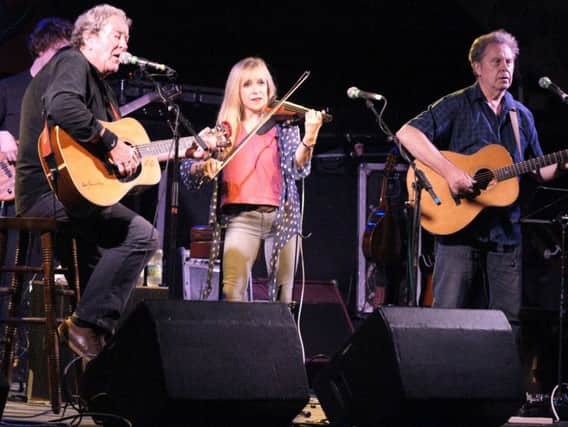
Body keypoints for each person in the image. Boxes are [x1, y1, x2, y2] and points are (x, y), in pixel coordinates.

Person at [16, 4, 214, 362]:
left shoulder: (102, 91)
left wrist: (186, 150)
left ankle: (97, 362)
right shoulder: (72, 61)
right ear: (89, 37)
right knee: (142, 236)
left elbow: (128, 154)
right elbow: (62, 106)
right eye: (117, 35)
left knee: (107, 269)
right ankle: (86, 326)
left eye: (127, 37)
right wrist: (110, 143)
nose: (124, 44)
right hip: (47, 193)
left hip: (72, 198)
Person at [395, 29, 565, 339]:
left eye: (510, 61)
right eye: (496, 61)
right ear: (477, 67)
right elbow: (407, 134)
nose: (505, 68)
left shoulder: (521, 115)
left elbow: (539, 171)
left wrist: (563, 163)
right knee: (447, 321)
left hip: (505, 235)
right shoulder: (457, 105)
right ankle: (441, 386)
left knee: (507, 325)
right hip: (458, 231)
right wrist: (450, 172)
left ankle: (497, 387)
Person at [180, 56, 324, 303]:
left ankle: (279, 342)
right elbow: (188, 173)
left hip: (283, 217)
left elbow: (297, 170)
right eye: (247, 84)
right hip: (241, 218)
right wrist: (203, 167)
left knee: (283, 296)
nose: (256, 90)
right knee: (231, 291)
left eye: (261, 83)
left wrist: (309, 138)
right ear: (236, 90)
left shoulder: (284, 125)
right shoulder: (224, 130)